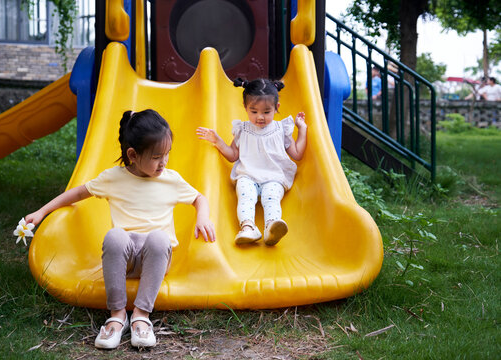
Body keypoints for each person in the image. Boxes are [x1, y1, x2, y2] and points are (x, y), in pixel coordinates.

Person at [25, 109, 216, 350]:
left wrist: (203, 216)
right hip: (124, 258)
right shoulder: (113, 178)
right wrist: (42, 212)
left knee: (159, 238)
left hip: (156, 258)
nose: (164, 162)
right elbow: (78, 192)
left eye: (167, 154)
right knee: (115, 236)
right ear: (133, 155)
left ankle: (141, 315)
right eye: (157, 156)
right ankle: (117, 315)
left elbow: (199, 198)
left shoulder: (171, 179)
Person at [196, 78, 307, 246]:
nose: (259, 117)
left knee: (271, 198)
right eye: (254, 111)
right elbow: (233, 155)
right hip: (247, 176)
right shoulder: (243, 130)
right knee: (245, 196)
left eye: (266, 112)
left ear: (276, 108)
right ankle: (248, 227)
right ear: (245, 107)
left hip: (274, 177)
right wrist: (218, 141)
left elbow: (297, 153)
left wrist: (302, 129)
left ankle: (272, 227)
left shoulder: (280, 129)